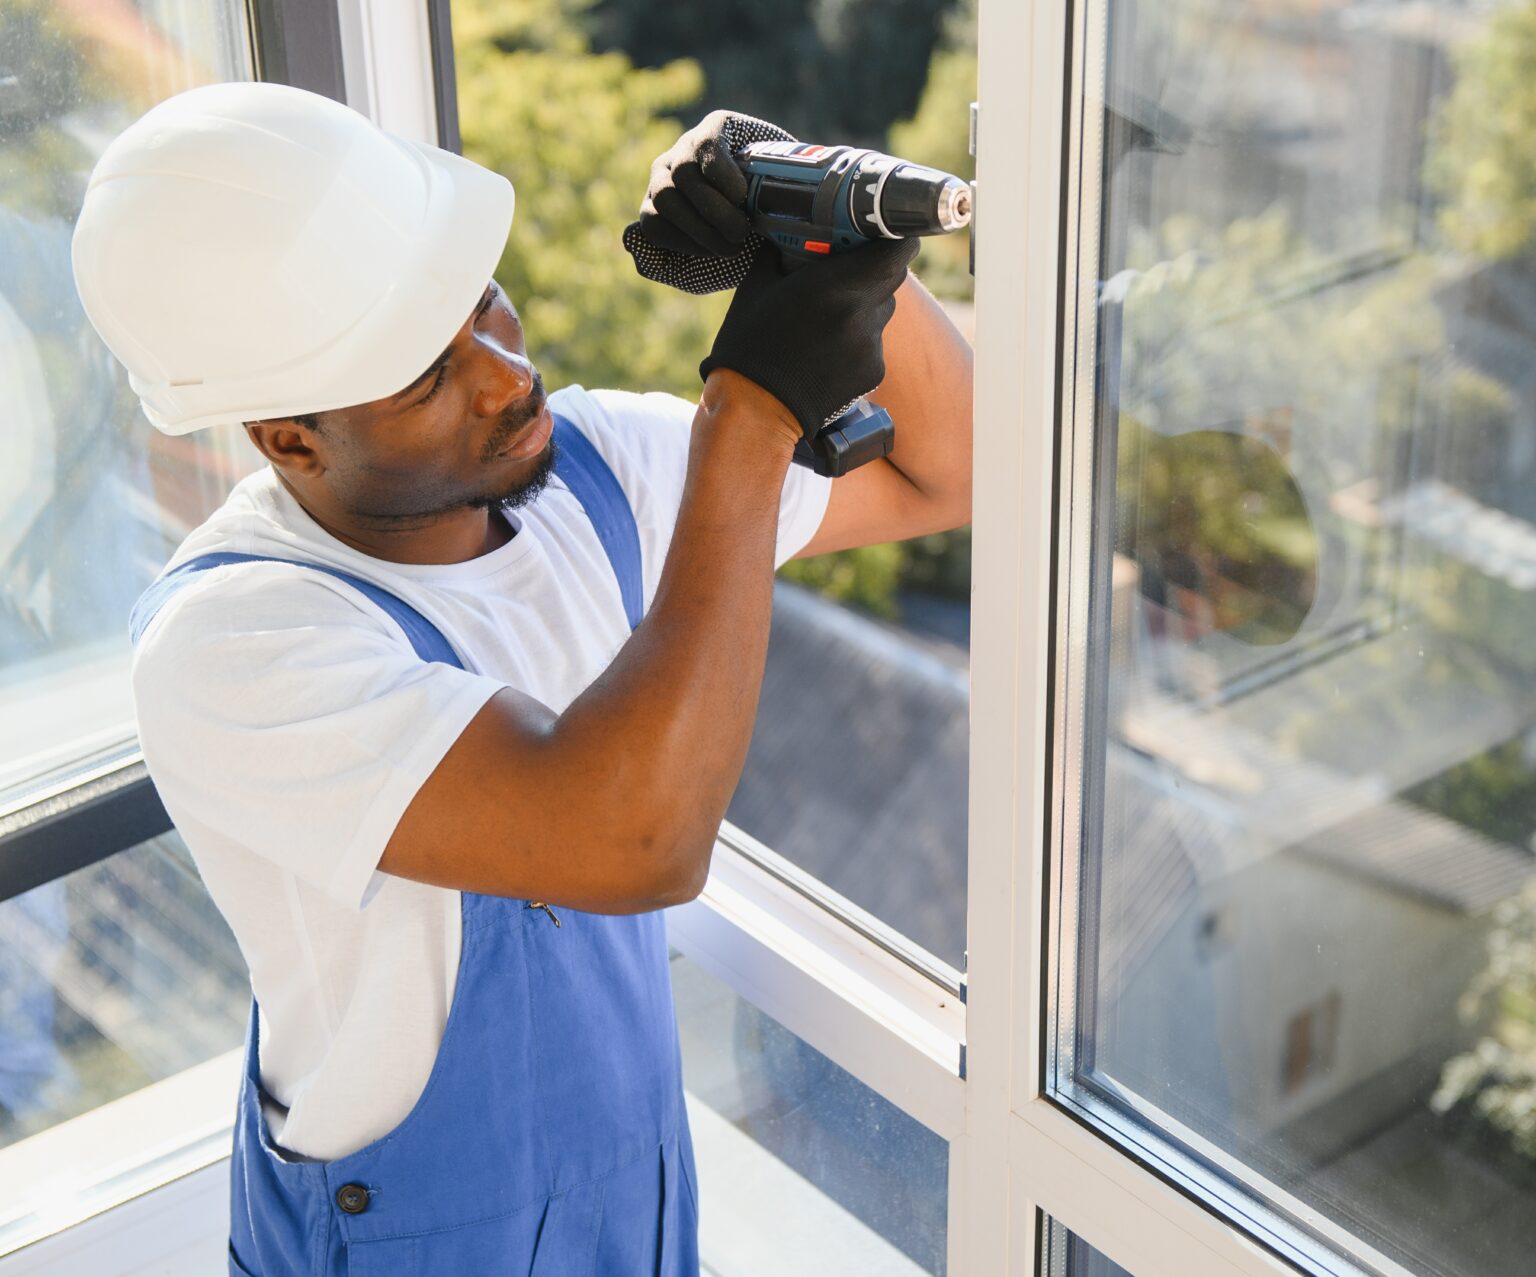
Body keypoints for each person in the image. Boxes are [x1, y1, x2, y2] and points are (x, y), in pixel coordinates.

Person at [68, 82, 971, 1275]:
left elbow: (943, 475)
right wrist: (748, 419)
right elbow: (632, 842)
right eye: (424, 374)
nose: (505, 372)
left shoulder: (595, 473)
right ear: (289, 438)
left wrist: (829, 233)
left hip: (631, 1206)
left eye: (481, 300)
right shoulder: (235, 643)